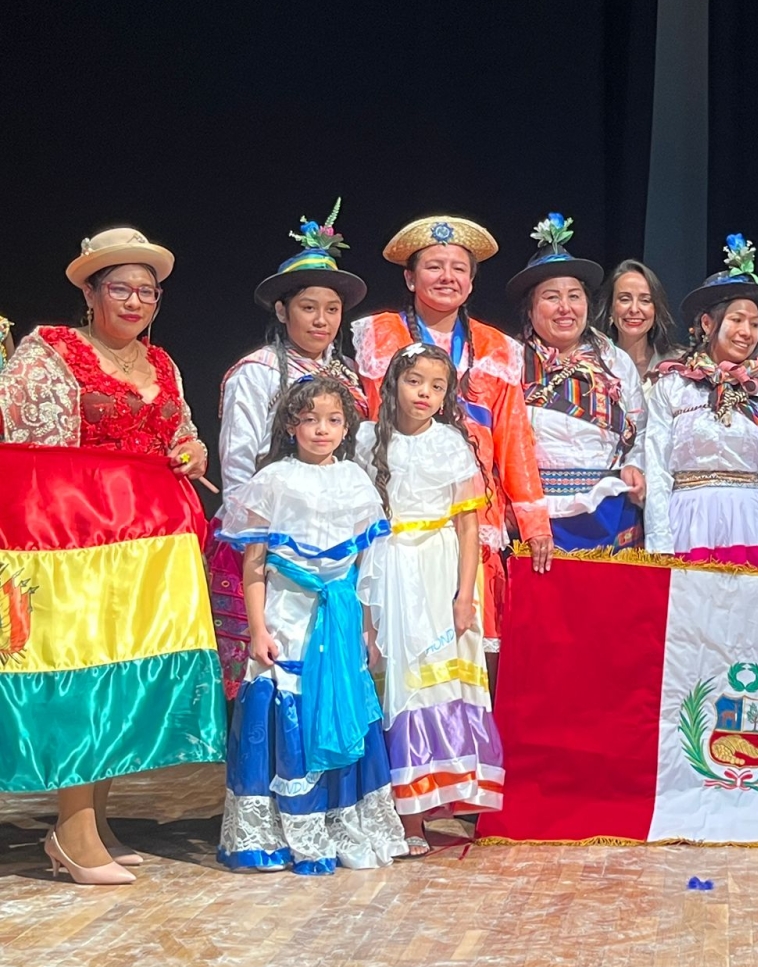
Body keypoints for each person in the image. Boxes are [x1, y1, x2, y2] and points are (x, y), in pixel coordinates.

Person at [0, 227, 222, 884]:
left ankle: (92, 821)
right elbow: (15, 436)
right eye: (120, 288)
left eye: (146, 292)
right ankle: (70, 832)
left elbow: (182, 434)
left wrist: (195, 454)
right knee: (81, 672)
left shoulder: (162, 364)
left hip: (143, 547)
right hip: (74, 540)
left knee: (118, 678)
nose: (134, 301)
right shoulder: (52, 352)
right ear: (91, 293)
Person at [216, 375, 406, 873]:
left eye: (333, 420)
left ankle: (341, 824)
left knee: (342, 712)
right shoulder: (274, 479)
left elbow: (365, 567)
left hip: (339, 619)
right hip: (287, 615)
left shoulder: (355, 480)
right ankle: (283, 832)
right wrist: (258, 630)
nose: (322, 429)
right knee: (288, 712)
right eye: (310, 419)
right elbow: (254, 564)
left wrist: (367, 629)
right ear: (290, 425)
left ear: (347, 426)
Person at [350, 216, 552, 660]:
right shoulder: (379, 335)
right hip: (401, 510)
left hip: (472, 511)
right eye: (434, 266)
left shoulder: (497, 347)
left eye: (459, 268)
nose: (447, 277)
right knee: (396, 640)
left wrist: (534, 521)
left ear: (472, 282)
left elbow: (513, 437)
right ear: (409, 277)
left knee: (467, 640)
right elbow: (365, 421)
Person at [212, 202, 369, 699]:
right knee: (275, 670)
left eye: (332, 309)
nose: (321, 320)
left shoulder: (349, 376)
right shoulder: (256, 373)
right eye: (308, 307)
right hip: (274, 547)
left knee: (332, 672)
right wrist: (254, 545)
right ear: (282, 311)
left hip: (335, 547)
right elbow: (238, 468)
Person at [356, 344, 503, 856]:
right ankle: (403, 814)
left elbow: (468, 529)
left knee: (437, 683)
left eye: (437, 387)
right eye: (415, 381)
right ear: (393, 382)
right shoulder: (367, 439)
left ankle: (435, 801)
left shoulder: (450, 444)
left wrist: (466, 596)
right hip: (390, 568)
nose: (425, 394)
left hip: (439, 571)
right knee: (398, 683)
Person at [643, 234, 758, 568]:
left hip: (751, 522)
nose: (747, 331)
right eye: (737, 320)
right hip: (687, 522)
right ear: (707, 324)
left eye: (755, 324)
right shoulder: (673, 386)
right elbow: (656, 469)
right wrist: (659, 539)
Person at [507, 213, 645, 551]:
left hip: (608, 511)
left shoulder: (615, 362)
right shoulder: (510, 360)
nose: (565, 308)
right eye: (552, 297)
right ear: (530, 309)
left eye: (574, 296)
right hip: (536, 517)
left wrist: (634, 466)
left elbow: (641, 431)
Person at [597, 258, 680, 377]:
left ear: (656, 310)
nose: (634, 309)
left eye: (645, 300)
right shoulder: (594, 365)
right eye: (625, 299)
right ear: (611, 307)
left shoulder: (677, 364)